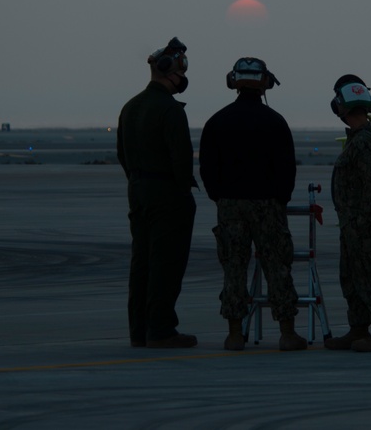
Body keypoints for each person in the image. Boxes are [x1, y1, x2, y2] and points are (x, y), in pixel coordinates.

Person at [198, 57, 306, 352]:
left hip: (230, 204)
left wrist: (221, 196)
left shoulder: (217, 121)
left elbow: (207, 168)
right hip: (267, 204)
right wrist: (279, 200)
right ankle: (287, 332)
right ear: (265, 82)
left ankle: (234, 334)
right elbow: (287, 169)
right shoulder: (275, 121)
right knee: (278, 268)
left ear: (233, 81)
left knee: (233, 269)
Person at [116, 37, 198, 349]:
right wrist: (182, 192)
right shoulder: (170, 110)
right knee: (167, 262)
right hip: (167, 194)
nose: (183, 75)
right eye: (181, 68)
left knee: (142, 262)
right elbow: (181, 159)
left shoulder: (131, 106)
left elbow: (122, 154)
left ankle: (139, 330)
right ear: (168, 70)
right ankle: (162, 329)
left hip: (138, 190)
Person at [324, 75, 371, 352]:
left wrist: (365, 221)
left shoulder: (365, 140)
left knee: (370, 275)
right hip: (353, 222)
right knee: (352, 276)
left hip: (361, 223)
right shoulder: (364, 135)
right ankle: (358, 327)